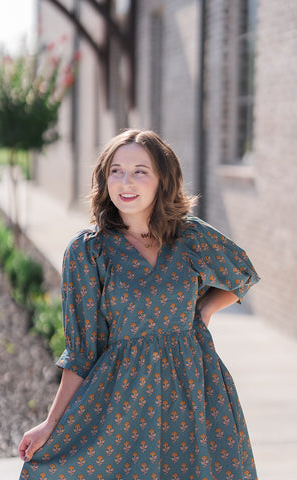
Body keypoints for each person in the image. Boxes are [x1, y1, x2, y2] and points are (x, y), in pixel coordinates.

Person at [18, 129, 260, 480]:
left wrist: (206, 308)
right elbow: (82, 351)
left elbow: (242, 275)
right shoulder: (89, 252)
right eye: (115, 170)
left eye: (139, 171)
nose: (125, 182)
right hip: (123, 399)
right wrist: (50, 424)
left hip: (194, 390)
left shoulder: (190, 237)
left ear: (163, 179)